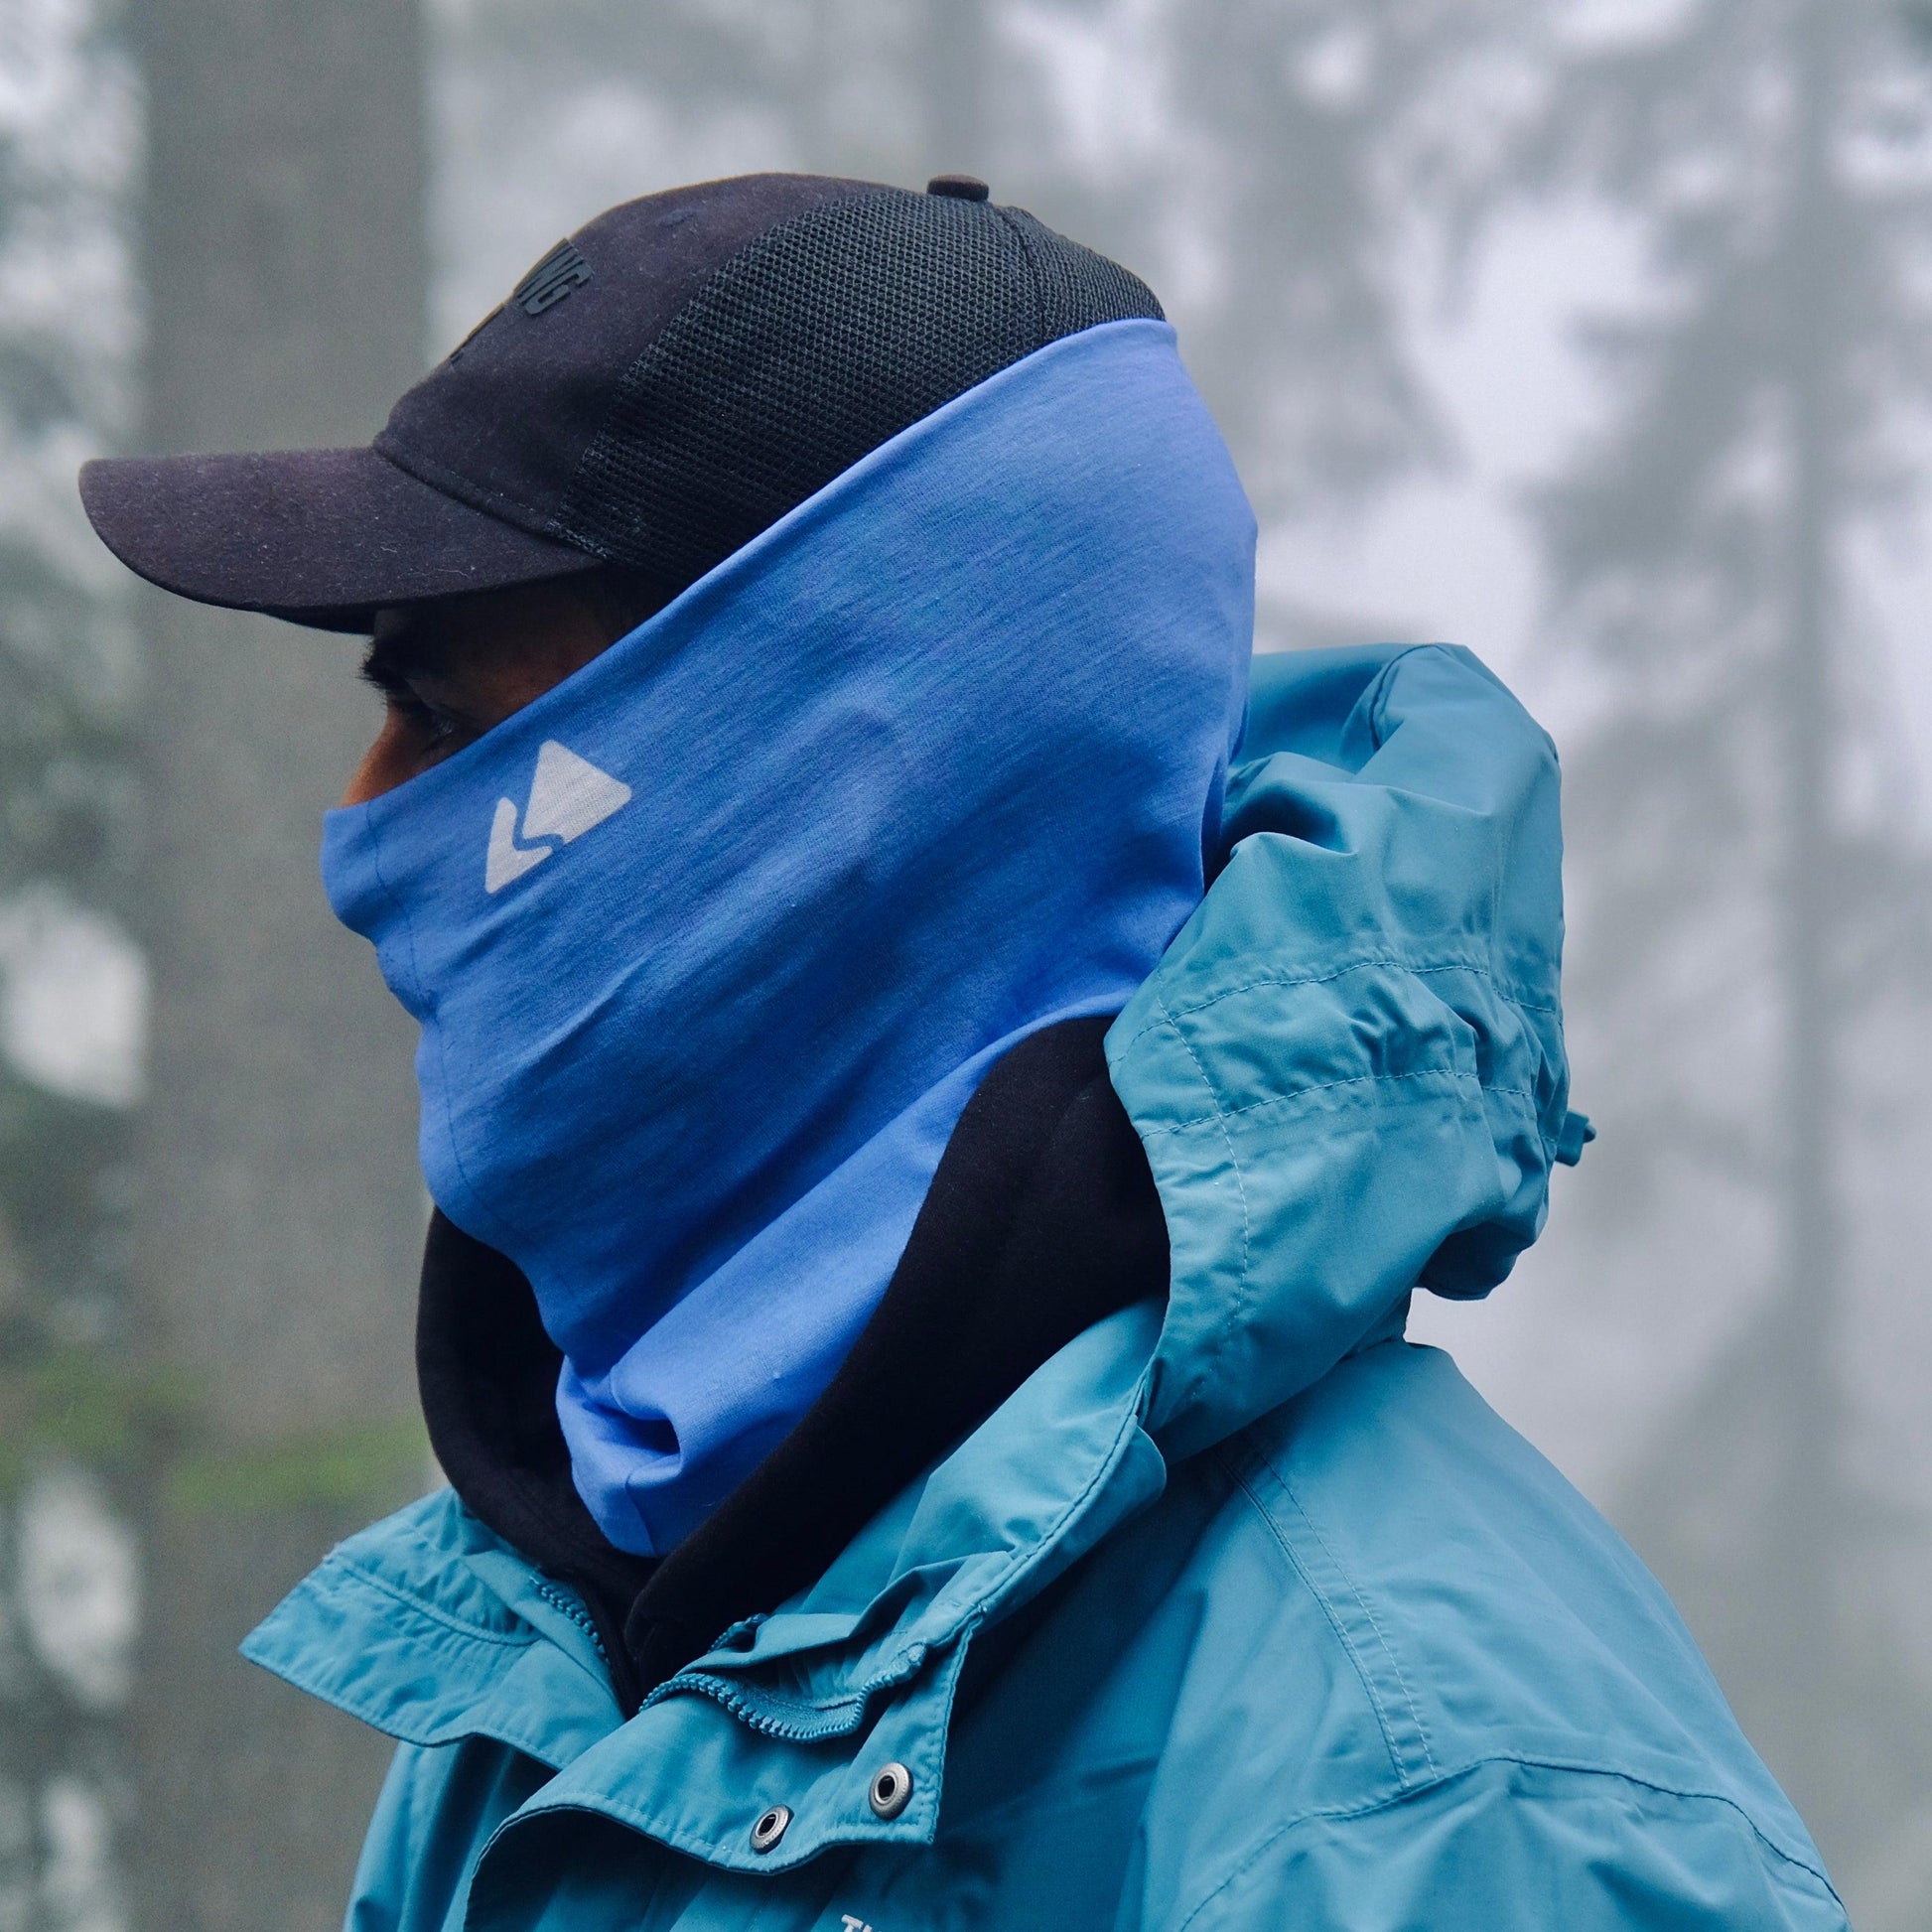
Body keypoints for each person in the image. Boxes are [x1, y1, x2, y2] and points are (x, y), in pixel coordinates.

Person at [79, 172, 1846, 1930]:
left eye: (446, 716)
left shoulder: (1434, 1803)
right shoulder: (568, 1656)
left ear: (833, 774)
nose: (356, 834)